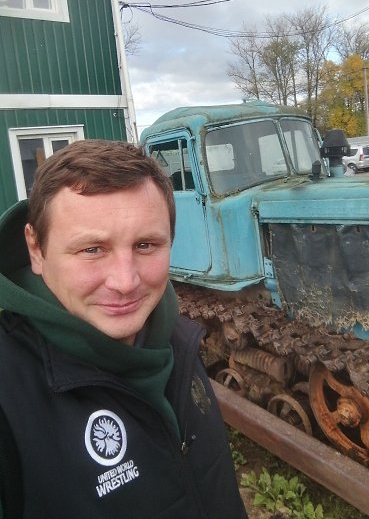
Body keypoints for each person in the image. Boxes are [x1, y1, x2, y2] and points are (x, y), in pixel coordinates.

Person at [0, 139, 248, 518]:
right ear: (36, 249)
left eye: (146, 245)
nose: (125, 282)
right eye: (92, 249)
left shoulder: (176, 339)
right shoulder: (9, 396)